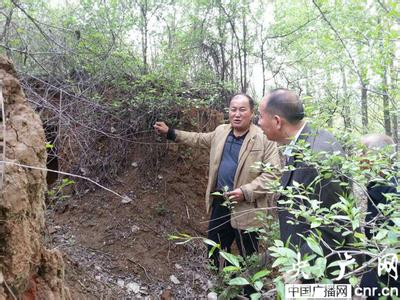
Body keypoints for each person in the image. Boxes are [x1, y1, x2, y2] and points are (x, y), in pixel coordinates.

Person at [154, 93, 280, 269]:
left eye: (242, 110)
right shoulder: (221, 131)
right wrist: (171, 133)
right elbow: (197, 139)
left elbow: (273, 174)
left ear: (251, 113)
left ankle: (248, 292)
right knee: (214, 248)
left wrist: (246, 192)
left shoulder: (263, 138)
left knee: (248, 254)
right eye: (233, 109)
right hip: (221, 201)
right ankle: (221, 285)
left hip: (248, 207)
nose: (237, 114)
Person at [257, 88, 350, 279]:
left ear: (276, 121)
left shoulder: (314, 159)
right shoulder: (307, 139)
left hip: (322, 274)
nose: (258, 123)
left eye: (260, 116)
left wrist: (299, 269)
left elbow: (331, 229)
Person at [360, 134, 400, 299]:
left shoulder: (388, 188)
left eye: (361, 154)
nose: (358, 159)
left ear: (372, 157)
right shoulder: (382, 183)